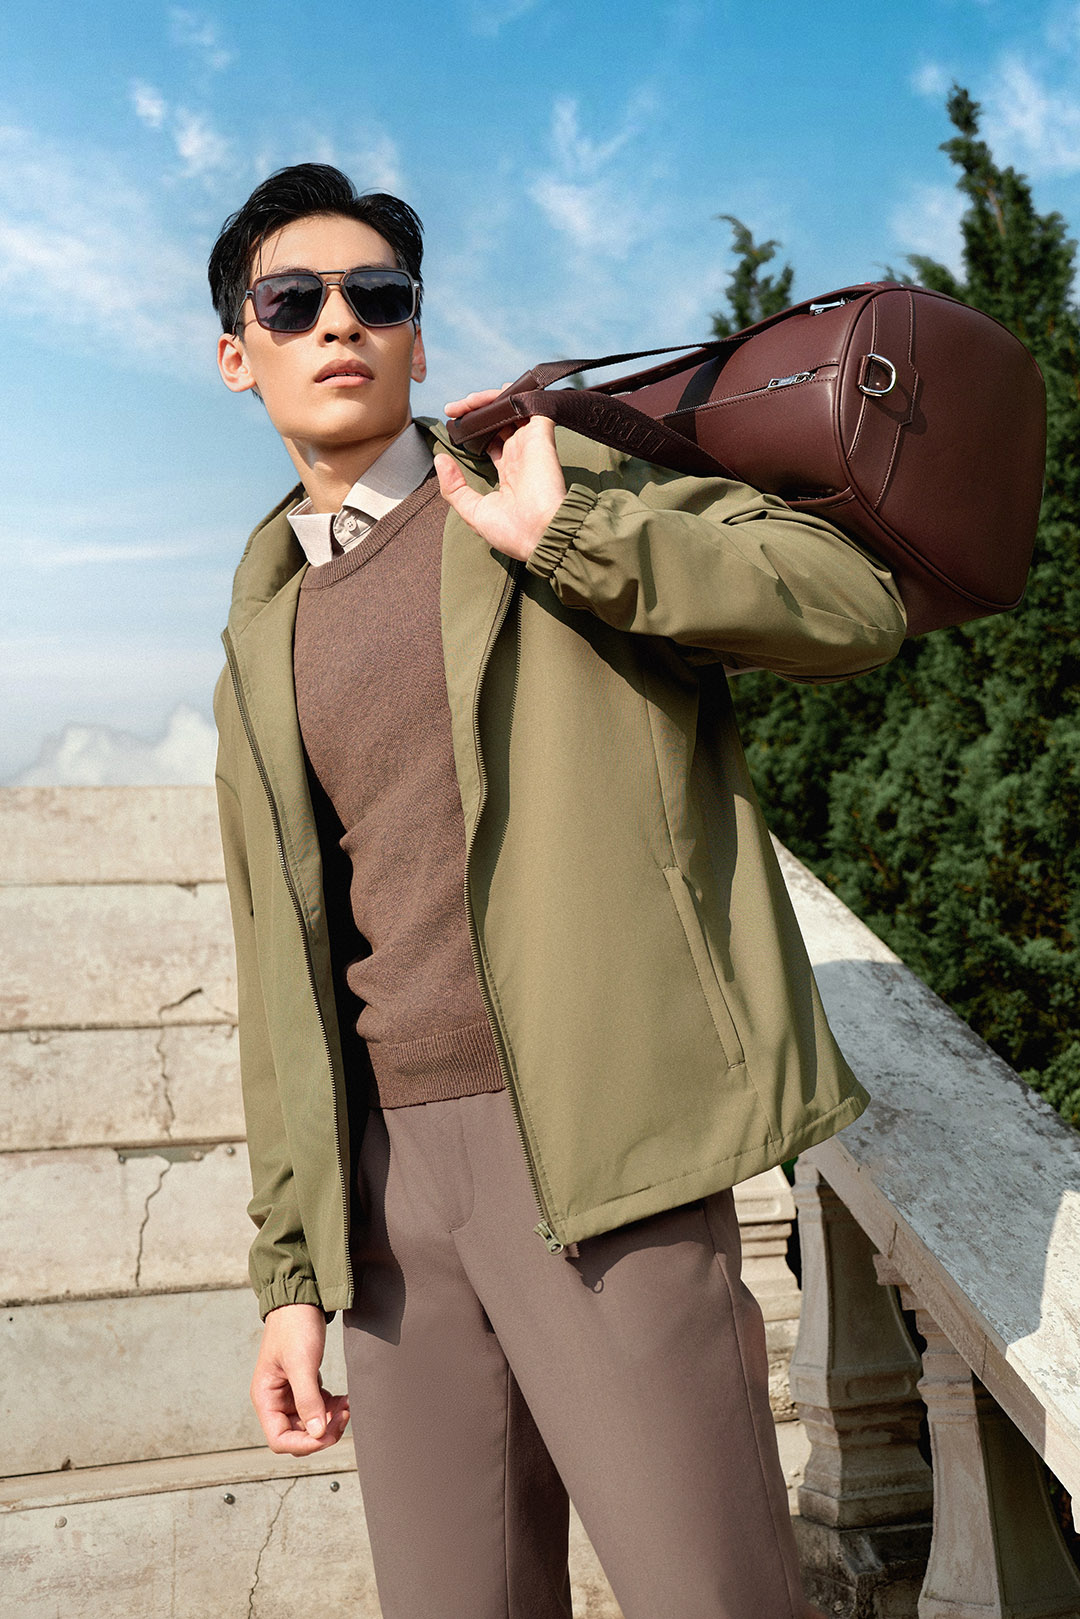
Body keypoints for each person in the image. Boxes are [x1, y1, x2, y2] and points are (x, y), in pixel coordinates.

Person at [208, 162, 906, 1619]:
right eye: (294, 301)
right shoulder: (264, 618)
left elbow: (852, 607)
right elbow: (279, 963)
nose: (339, 321)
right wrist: (292, 1271)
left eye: (376, 295)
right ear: (238, 353)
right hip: (390, 1199)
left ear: (415, 339)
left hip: (596, 1149)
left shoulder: (536, 480)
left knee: (707, 1590)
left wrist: (576, 538)